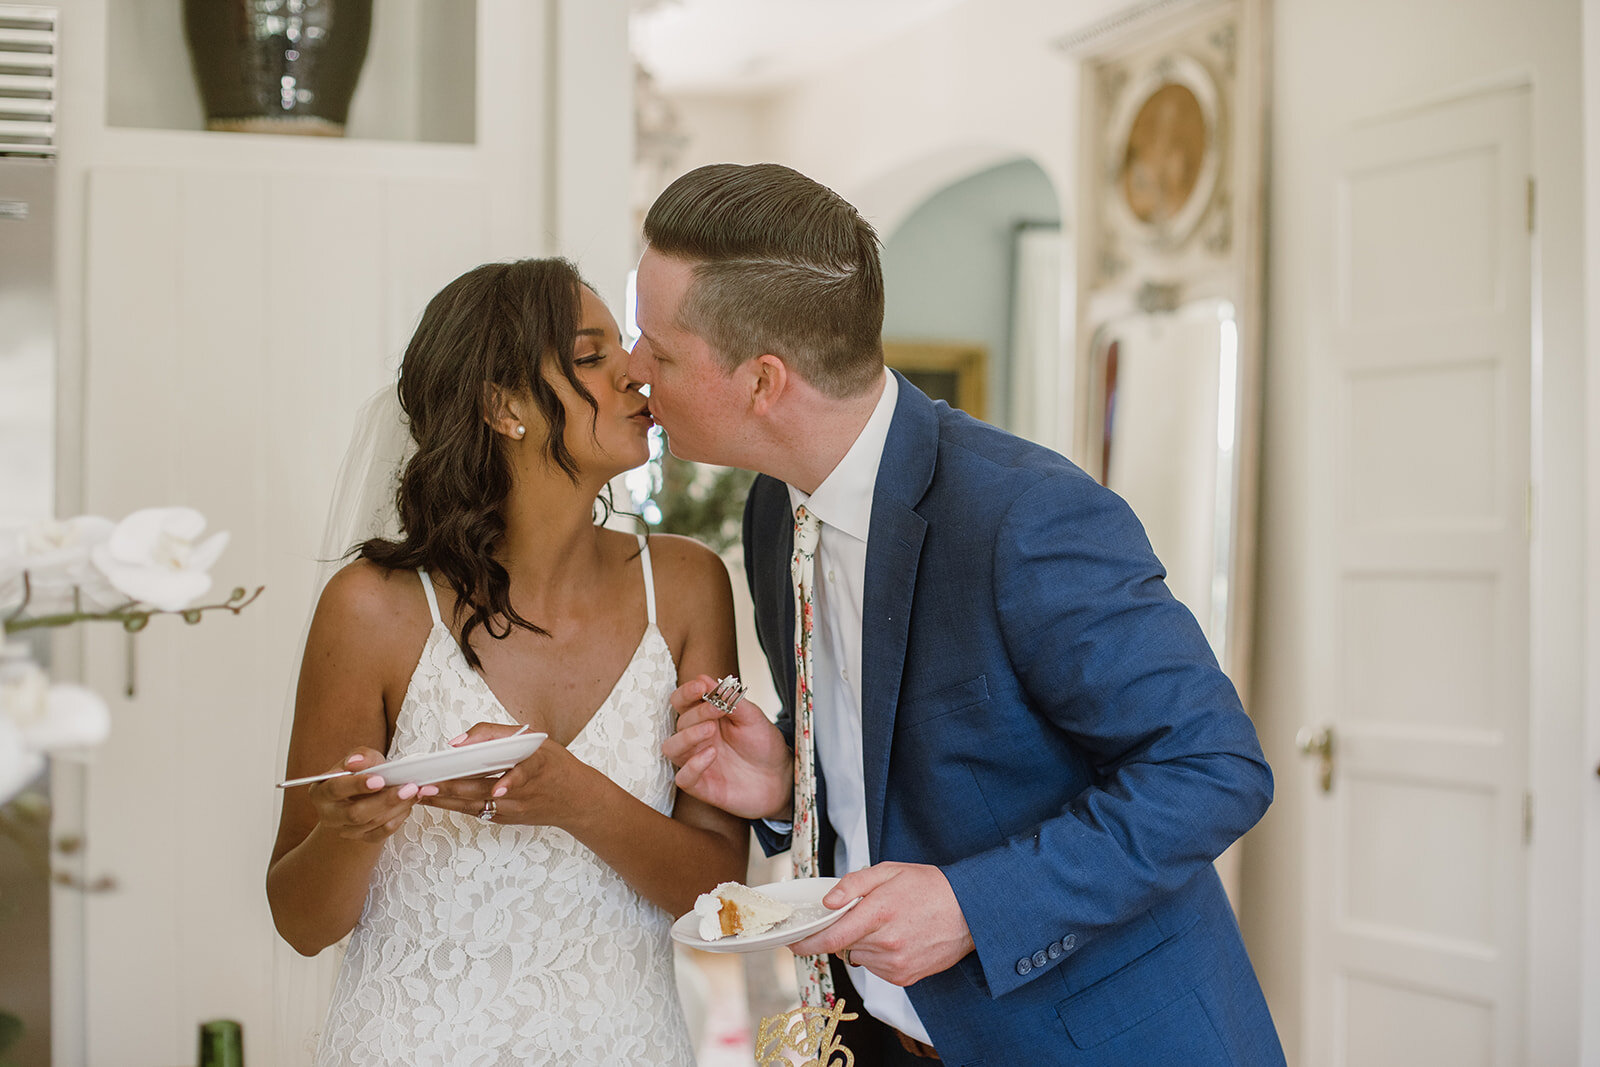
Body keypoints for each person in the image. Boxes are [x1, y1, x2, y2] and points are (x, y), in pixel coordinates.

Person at [636, 164, 1285, 1065]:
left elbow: (1214, 767)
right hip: (885, 1038)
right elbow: (901, 758)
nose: (635, 372)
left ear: (762, 382)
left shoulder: (1024, 516)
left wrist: (971, 906)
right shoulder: (775, 506)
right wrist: (788, 781)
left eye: (658, 351)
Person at [267, 258, 747, 1066]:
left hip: (630, 1046)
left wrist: (575, 796)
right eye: (594, 355)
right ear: (503, 404)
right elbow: (301, 921)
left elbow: (714, 890)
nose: (637, 372)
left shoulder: (689, 586)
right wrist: (349, 833)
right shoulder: (372, 607)